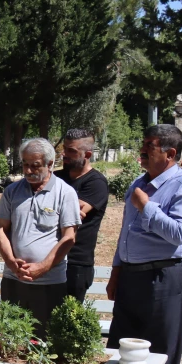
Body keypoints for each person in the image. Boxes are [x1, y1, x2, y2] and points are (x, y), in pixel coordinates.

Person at [106, 124, 182, 364]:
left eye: (150, 145)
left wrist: (147, 207)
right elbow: (125, 233)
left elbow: (179, 233)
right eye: (143, 143)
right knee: (120, 345)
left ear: (170, 153)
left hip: (166, 276)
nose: (142, 150)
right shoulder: (139, 182)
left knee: (160, 352)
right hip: (132, 276)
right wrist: (116, 271)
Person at [0, 138, 81, 336]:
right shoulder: (12, 191)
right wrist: (11, 261)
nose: (28, 171)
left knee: (45, 339)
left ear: (50, 164)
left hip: (49, 282)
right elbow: (1, 229)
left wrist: (42, 267)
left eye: (35, 166)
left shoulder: (65, 193)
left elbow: (69, 237)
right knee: (11, 337)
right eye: (25, 164)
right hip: (13, 278)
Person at [55, 129, 109, 303]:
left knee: (66, 321)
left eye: (72, 151)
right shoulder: (55, 178)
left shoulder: (96, 183)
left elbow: (72, 214)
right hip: (48, 258)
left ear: (87, 154)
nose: (65, 154)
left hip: (75, 264)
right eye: (65, 149)